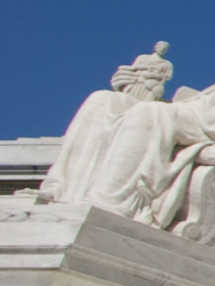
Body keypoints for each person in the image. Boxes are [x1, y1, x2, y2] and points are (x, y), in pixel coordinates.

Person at [37, 43, 172, 205]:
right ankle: (62, 185)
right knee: (102, 99)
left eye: (164, 48)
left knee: (139, 108)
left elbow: (167, 78)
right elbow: (135, 70)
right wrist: (129, 80)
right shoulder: (143, 59)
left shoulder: (166, 66)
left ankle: (84, 192)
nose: (161, 49)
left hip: (156, 101)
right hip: (139, 93)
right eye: (160, 47)